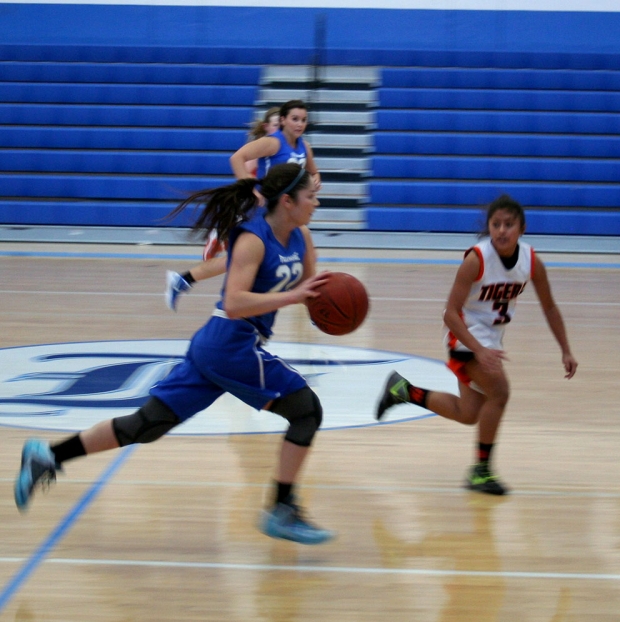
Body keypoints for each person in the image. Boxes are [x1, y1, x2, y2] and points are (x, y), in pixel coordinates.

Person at [15, 163, 335, 545]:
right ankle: (281, 509)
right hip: (232, 344)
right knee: (306, 410)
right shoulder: (253, 239)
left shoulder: (300, 234)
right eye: (310, 197)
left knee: (146, 426)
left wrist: (328, 299)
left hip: (217, 348)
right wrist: (295, 297)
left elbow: (310, 284)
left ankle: (48, 457)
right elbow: (234, 302)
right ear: (287, 201)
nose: (317, 203)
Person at [375, 194, 578, 495]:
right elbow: (450, 312)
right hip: (464, 334)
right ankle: (481, 472)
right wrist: (479, 350)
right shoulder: (477, 259)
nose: (501, 231)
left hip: (490, 338)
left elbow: (549, 307)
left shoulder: (531, 261)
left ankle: (402, 390)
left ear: (522, 228)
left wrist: (566, 348)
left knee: (468, 413)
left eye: (509, 225)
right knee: (500, 391)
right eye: (496, 224)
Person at [166, 100, 321, 311]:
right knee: (241, 259)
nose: (299, 124)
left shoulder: (305, 146)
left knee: (302, 252)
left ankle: (184, 279)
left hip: (287, 210)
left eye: (303, 120)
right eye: (295, 119)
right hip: (268, 210)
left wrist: (316, 178)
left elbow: (313, 172)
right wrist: (250, 188)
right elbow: (237, 157)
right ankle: (311, 306)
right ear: (283, 120)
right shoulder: (273, 143)